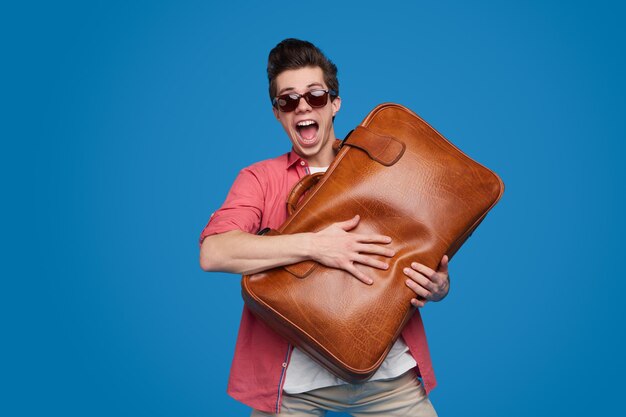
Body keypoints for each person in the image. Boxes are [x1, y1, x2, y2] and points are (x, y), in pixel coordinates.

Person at [199, 38, 450, 417]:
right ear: (277, 114)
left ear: (335, 104)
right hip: (295, 388)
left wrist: (438, 286)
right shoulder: (259, 179)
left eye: (315, 96)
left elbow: (420, 244)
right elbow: (214, 252)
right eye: (288, 100)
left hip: (388, 378)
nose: (302, 106)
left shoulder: (378, 167)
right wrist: (315, 246)